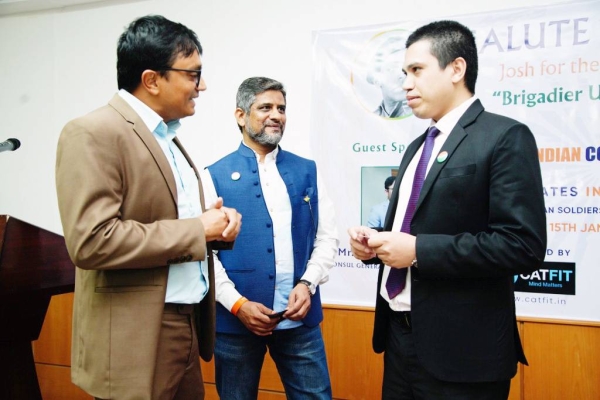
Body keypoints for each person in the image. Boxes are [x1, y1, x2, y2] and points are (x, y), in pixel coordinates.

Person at [348, 20, 546, 400]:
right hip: (399, 341)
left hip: (464, 357)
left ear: (456, 69)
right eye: (404, 73)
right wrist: (374, 246)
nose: (406, 84)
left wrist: (420, 252)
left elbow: (522, 244)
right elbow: (408, 231)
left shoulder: (504, 137)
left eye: (416, 71)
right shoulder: (417, 147)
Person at [55, 15, 241, 400]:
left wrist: (216, 229)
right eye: (193, 74)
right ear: (152, 79)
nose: (201, 86)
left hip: (187, 324)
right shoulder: (93, 132)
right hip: (138, 335)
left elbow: (169, 225)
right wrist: (196, 230)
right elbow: (91, 241)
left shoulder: (167, 138)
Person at [201, 77, 339, 400]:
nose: (276, 115)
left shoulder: (308, 170)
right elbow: (205, 256)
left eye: (281, 108)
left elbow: (326, 237)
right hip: (235, 325)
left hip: (299, 324)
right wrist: (239, 305)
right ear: (240, 116)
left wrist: (308, 283)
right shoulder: (213, 175)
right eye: (265, 107)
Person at [367, 35, 412, 118]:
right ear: (377, 79)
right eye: (392, 69)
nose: (402, 76)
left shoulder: (424, 118)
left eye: (406, 68)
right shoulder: (370, 118)